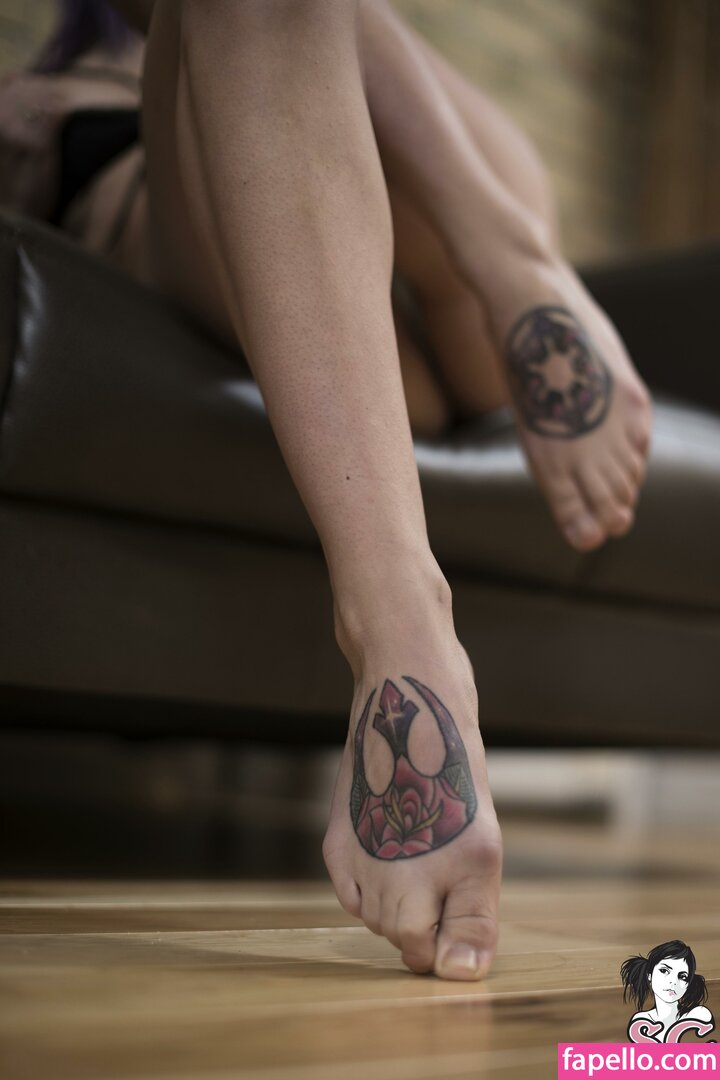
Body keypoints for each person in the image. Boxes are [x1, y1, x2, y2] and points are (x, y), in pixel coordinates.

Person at [0, 0, 652, 981]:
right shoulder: (46, 91)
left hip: (401, 293)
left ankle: (510, 262)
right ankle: (406, 626)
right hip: (267, 275)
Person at [621, 941, 712, 1043]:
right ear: (649, 975)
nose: (673, 982)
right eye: (664, 971)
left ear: (688, 984)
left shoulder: (699, 1015)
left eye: (682, 977)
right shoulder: (641, 1021)